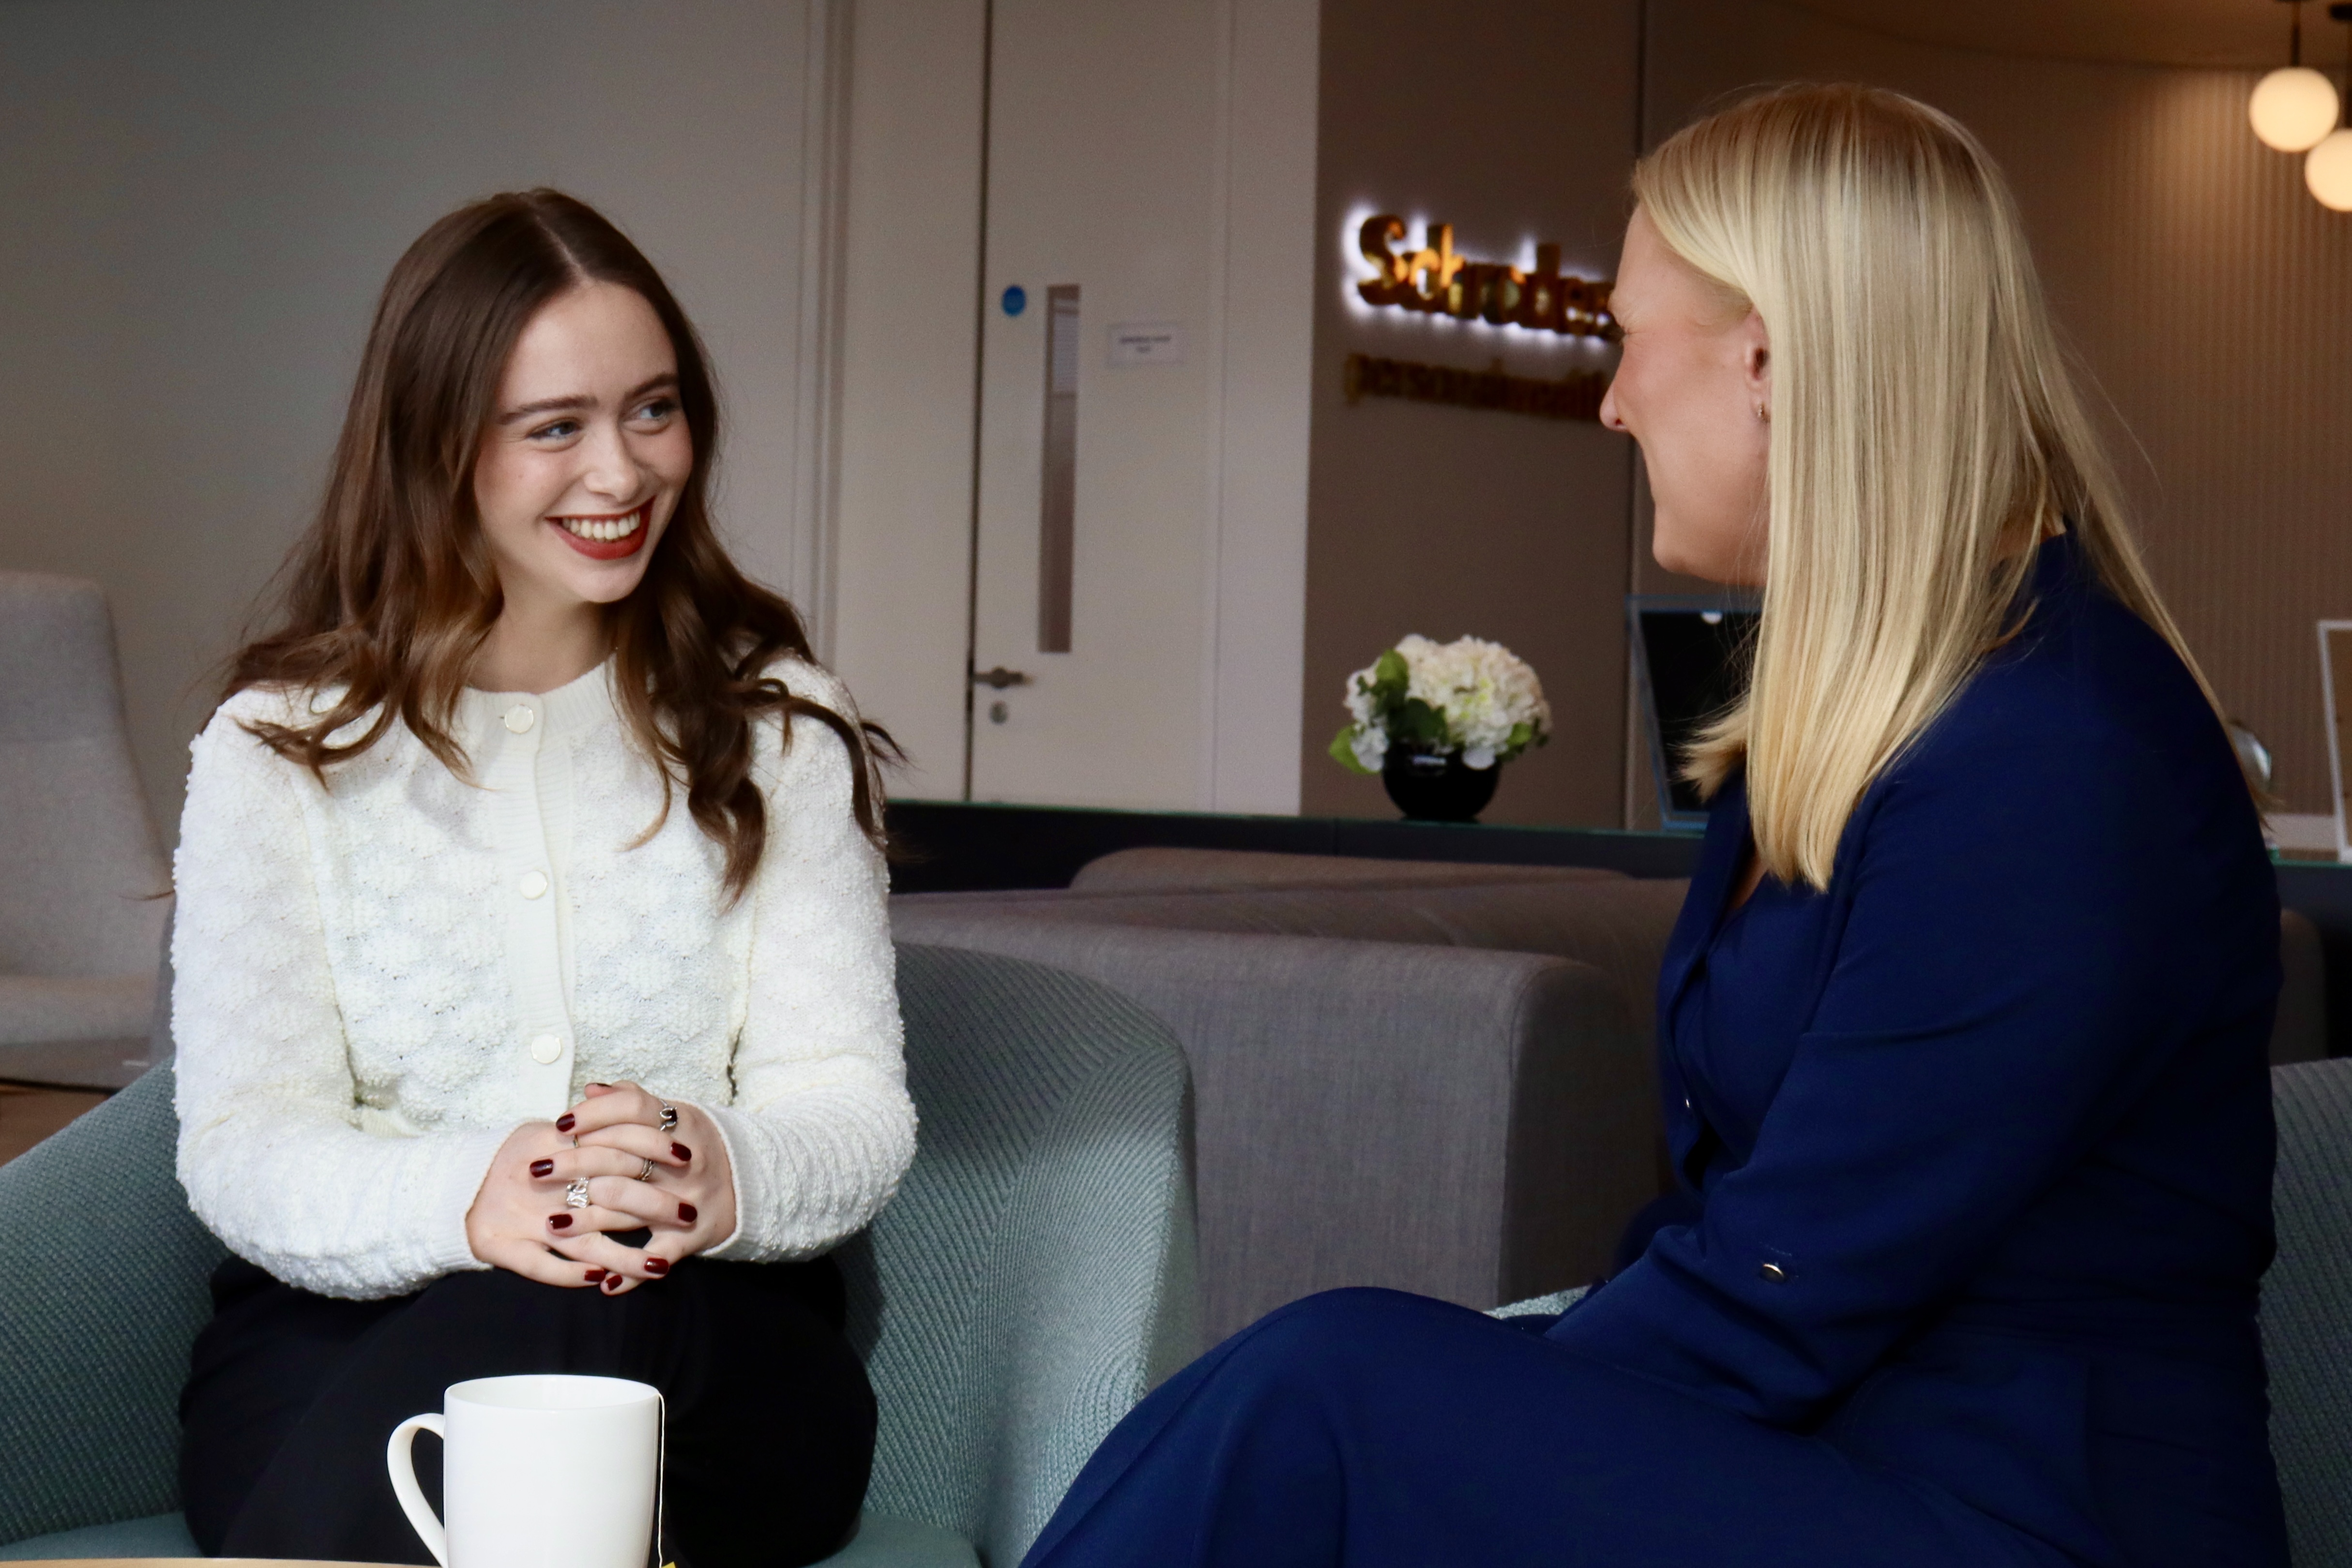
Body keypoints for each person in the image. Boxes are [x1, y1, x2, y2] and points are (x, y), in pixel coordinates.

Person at [1020, 85, 2288, 1568]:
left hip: (2018, 1509)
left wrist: (1486, 1398)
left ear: (1767, 362)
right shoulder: (1859, 718)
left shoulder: (2052, 753)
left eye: (1626, 339)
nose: (1610, 401)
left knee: (1328, 1389)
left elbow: (1792, 1280)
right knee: (1304, 1383)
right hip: (1827, 1450)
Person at [171, 190, 915, 1568]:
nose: (623, 473)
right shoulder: (279, 750)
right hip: (345, 1343)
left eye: (653, 409)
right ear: (438, 449)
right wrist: (478, 1195)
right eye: (555, 427)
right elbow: (242, 1141)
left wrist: (711, 1167)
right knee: (524, 1330)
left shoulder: (775, 728)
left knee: (587, 1307)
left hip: (708, 1347)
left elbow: (854, 1108)